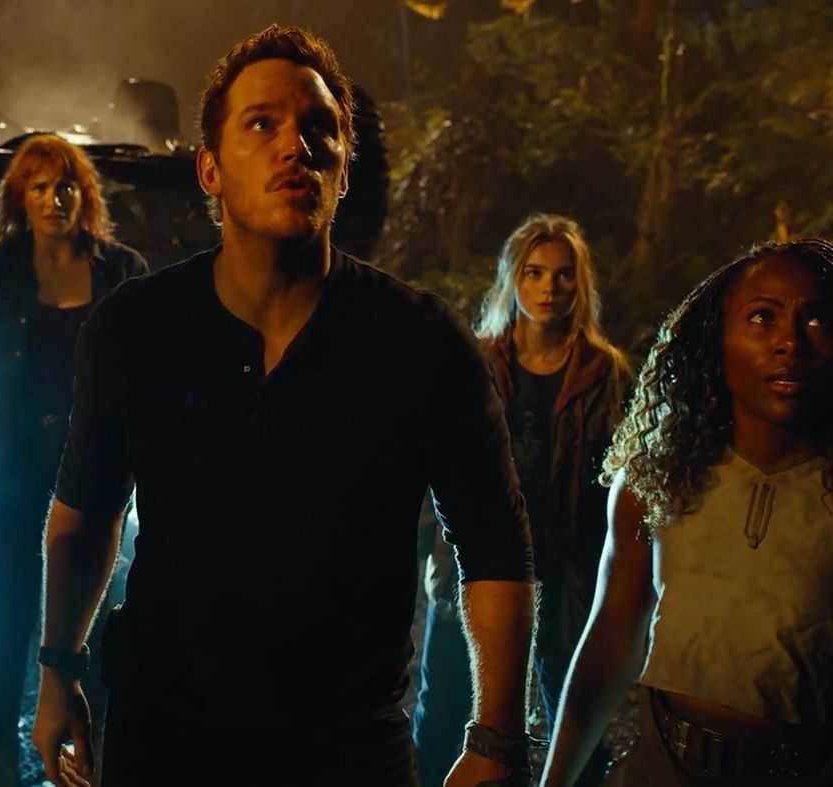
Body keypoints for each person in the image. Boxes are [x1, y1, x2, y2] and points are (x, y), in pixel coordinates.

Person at [31, 25, 536, 787]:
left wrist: (498, 741)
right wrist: (57, 670)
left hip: (348, 748)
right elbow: (83, 516)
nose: (295, 146)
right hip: (164, 738)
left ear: (344, 168)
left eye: (318, 128)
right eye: (262, 124)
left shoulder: (420, 341)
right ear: (209, 168)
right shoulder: (136, 326)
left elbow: (494, 545)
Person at [538, 238, 833, 787]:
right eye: (762, 317)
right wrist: (556, 780)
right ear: (717, 337)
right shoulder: (659, 478)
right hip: (663, 766)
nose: (790, 341)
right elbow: (610, 636)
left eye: (816, 317)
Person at [0, 133, 148, 787]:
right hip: (10, 465)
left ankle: (88, 747)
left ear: (85, 195)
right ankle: (3, 747)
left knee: (93, 615)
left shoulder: (122, 271)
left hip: (92, 469)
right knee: (9, 608)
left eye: (65, 186)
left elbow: (145, 377)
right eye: (39, 187)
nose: (55, 198)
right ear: (19, 198)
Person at [413, 214, 630, 786]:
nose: (548, 287)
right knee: (443, 712)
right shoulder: (478, 362)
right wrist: (433, 555)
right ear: (513, 279)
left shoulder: (603, 372)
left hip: (565, 568)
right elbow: (436, 460)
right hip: (476, 565)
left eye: (562, 275)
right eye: (534, 273)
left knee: (574, 722)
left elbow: (619, 478)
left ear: (579, 283)